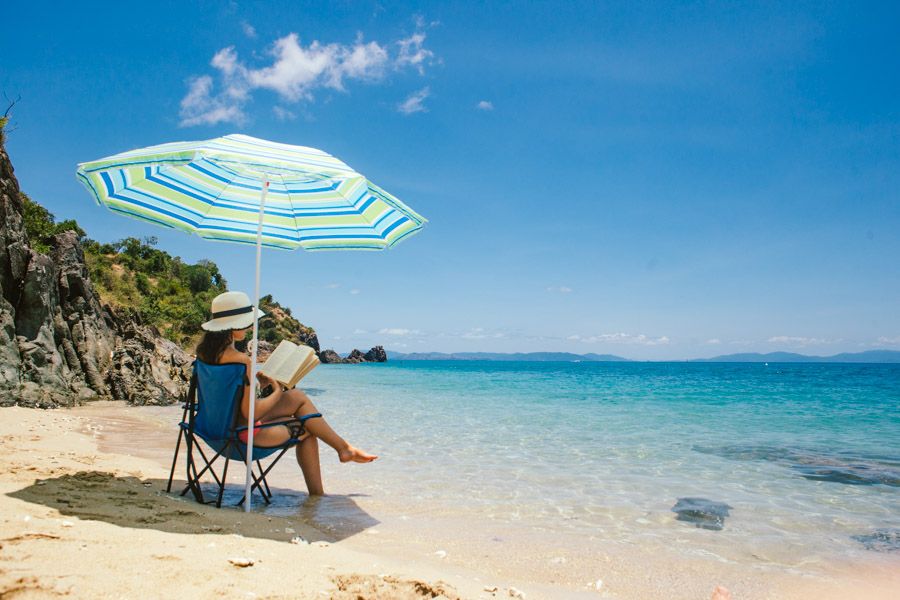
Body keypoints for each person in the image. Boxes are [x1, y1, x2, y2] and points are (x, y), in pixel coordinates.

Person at [195, 291, 377, 496]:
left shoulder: (203, 355)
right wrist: (277, 390)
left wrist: (264, 386)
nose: (249, 326)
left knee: (298, 399)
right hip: (238, 436)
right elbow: (250, 413)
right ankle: (320, 491)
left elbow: (228, 399)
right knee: (308, 430)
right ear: (234, 325)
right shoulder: (240, 360)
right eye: (247, 322)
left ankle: (344, 450)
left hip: (212, 430)